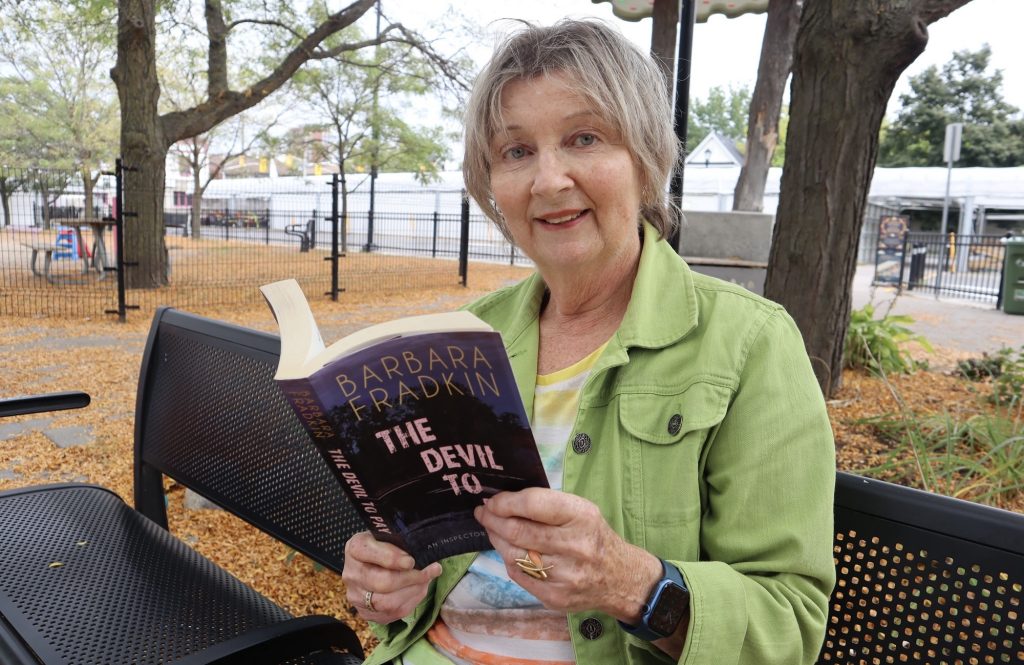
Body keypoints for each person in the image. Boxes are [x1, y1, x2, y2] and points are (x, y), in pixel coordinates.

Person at [342, 19, 836, 665]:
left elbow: (790, 624)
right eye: (516, 151)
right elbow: (415, 579)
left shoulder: (748, 342)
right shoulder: (461, 340)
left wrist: (631, 583)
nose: (549, 180)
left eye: (584, 138)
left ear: (646, 158)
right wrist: (383, 588)